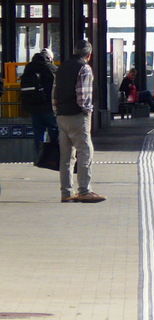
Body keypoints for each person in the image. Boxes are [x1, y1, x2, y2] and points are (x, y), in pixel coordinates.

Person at [53, 40, 105, 203]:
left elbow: (54, 92)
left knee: (66, 156)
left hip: (61, 116)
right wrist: (87, 110)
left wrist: (57, 111)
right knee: (85, 152)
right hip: (77, 116)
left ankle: (66, 192)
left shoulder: (61, 67)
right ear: (89, 55)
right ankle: (84, 190)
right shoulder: (84, 68)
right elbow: (83, 95)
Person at [22, 49, 58, 153]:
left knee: (38, 134)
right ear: (50, 58)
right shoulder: (51, 68)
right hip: (49, 107)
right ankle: (53, 156)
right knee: (54, 132)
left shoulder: (29, 68)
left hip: (33, 107)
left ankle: (39, 157)